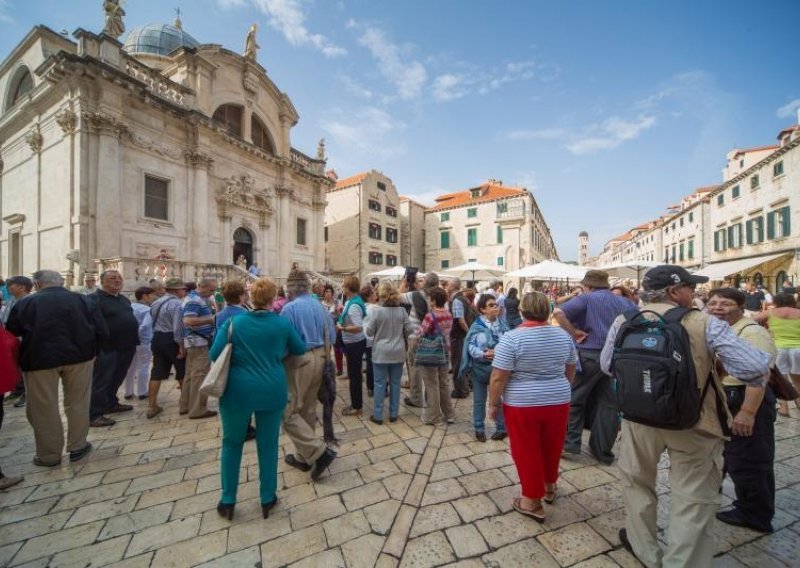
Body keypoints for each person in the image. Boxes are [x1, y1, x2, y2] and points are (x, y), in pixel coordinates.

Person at [600, 265, 771, 568]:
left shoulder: (625, 320)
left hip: (638, 419)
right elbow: (755, 368)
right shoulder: (703, 322)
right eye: (691, 287)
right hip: (694, 420)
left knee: (637, 485)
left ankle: (646, 552)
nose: (694, 292)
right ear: (674, 291)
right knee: (692, 498)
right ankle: (683, 562)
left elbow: (606, 365)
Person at [210, 278, 305, 521]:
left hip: (236, 390)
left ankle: (228, 500)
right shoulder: (281, 324)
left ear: (249, 297)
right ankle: (267, 497)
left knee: (232, 443)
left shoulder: (233, 322)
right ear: (274, 298)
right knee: (268, 444)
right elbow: (300, 348)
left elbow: (213, 353)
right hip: (271, 388)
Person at [487, 292, 576, 522]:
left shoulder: (512, 338)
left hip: (522, 402)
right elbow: (570, 367)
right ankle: (549, 487)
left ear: (522, 310)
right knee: (552, 445)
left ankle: (531, 501)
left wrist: (493, 404)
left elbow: (498, 376)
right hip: (558, 399)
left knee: (526, 450)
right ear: (547, 311)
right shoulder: (563, 337)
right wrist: (561, 387)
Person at [5, 270, 100, 466]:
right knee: (78, 402)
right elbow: (99, 328)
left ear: (37, 284)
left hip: (39, 359)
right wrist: (94, 351)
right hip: (79, 357)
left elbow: (13, 331)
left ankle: (49, 455)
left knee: (43, 407)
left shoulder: (25, 303)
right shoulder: (82, 300)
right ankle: (78, 446)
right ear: (62, 282)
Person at [707, 287, 777, 533]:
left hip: (745, 399)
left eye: (724, 304)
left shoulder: (752, 332)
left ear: (740, 306)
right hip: (727, 397)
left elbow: (761, 374)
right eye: (713, 302)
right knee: (729, 453)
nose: (717, 307)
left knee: (749, 459)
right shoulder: (722, 329)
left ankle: (755, 514)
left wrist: (747, 412)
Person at [553, 269, 636, 464]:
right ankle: (602, 451)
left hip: (590, 354)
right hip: (616, 358)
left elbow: (558, 312)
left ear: (586, 286)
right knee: (609, 405)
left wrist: (574, 333)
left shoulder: (588, 299)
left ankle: (571, 444)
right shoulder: (626, 302)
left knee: (575, 399)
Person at [280, 267, 337, 480]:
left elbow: (286, 341)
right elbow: (331, 334)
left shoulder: (289, 309)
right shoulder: (320, 306)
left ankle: (317, 452)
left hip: (300, 360)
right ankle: (304, 456)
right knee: (308, 407)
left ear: (292, 289)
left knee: (288, 412)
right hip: (321, 357)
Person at [88, 270, 139, 427]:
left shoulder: (123, 299)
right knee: (101, 380)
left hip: (126, 346)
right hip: (106, 348)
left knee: (117, 377)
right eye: (112, 278)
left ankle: (110, 403)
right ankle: (94, 414)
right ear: (102, 281)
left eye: (119, 278)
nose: (117, 281)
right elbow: (90, 325)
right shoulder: (93, 299)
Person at [461, 294, 510, 441]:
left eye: (496, 304)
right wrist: (482, 354)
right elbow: (470, 346)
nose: (495, 307)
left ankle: (502, 428)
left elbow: (509, 344)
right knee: (479, 400)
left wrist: (496, 352)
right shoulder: (476, 326)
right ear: (482, 309)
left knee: (498, 399)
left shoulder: (503, 326)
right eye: (491, 305)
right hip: (479, 369)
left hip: (498, 369)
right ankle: (479, 428)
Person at [365, 281, 412, 424]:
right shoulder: (402, 311)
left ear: (382, 294)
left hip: (381, 352)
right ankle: (393, 414)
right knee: (396, 383)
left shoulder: (377, 312)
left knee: (379, 383)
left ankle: (378, 415)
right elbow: (409, 330)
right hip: (398, 351)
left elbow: (369, 331)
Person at [753, 292, 800, 417]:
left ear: (776, 302)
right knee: (798, 380)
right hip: (798, 349)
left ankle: (784, 408)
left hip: (778, 348)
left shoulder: (771, 313)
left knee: (781, 379)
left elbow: (751, 320)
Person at [147, 278, 187, 419]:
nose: (184, 291)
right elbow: (177, 327)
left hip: (157, 337)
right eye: (183, 289)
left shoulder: (156, 302)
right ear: (176, 290)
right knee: (182, 370)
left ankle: (152, 406)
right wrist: (181, 345)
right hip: (171, 339)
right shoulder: (176, 304)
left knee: (157, 371)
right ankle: (184, 404)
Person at [415, 286, 455, 425]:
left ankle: (433, 417)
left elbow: (420, 333)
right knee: (444, 383)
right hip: (445, 351)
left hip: (431, 353)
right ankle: (449, 414)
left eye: (429, 298)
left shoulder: (430, 315)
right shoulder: (448, 314)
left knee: (432, 384)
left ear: (432, 301)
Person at [400, 272, 440, 407]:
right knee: (431, 371)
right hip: (433, 337)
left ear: (426, 282)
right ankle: (431, 400)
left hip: (416, 336)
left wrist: (404, 283)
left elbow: (396, 297)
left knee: (414, 368)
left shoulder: (415, 295)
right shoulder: (440, 296)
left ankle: (416, 398)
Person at [181, 278, 218, 419]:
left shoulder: (192, 298)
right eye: (211, 290)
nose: (212, 293)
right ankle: (198, 409)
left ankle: (185, 405)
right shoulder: (195, 300)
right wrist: (211, 319)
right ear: (202, 287)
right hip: (199, 342)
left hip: (194, 342)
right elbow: (188, 321)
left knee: (190, 375)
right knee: (200, 375)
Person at [337, 276, 367, 416]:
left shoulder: (353, 305)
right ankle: (357, 404)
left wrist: (342, 329)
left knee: (354, 376)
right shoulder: (352, 301)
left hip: (354, 343)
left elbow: (359, 327)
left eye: (344, 286)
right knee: (355, 374)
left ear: (349, 288)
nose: (342, 288)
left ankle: (356, 406)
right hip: (354, 343)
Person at [2, 276, 33, 407]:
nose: (8, 288)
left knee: (26, 368)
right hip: (11, 339)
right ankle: (18, 390)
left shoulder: (29, 302)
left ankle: (27, 394)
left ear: (21, 287)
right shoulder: (12, 301)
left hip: (24, 340)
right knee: (16, 366)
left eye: (11, 285)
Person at [123, 286, 155, 401]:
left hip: (131, 342)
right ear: (145, 296)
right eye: (151, 295)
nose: (152, 298)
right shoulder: (146, 310)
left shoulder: (129, 307)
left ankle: (128, 391)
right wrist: (139, 334)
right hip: (144, 341)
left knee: (130, 367)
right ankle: (142, 391)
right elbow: (145, 325)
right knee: (143, 366)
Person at [448, 277, 475, 399]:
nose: (447, 286)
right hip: (462, 335)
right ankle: (464, 388)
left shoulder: (457, 300)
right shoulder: (463, 298)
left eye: (449, 284)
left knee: (458, 363)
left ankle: (460, 390)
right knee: (462, 362)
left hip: (459, 336)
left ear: (453, 286)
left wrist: (468, 333)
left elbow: (461, 320)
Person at [362, 284, 378, 398]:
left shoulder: (362, 307)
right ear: (369, 296)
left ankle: (369, 387)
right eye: (373, 293)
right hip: (374, 338)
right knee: (374, 363)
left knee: (369, 362)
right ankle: (374, 386)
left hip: (364, 338)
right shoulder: (375, 308)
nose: (375, 294)